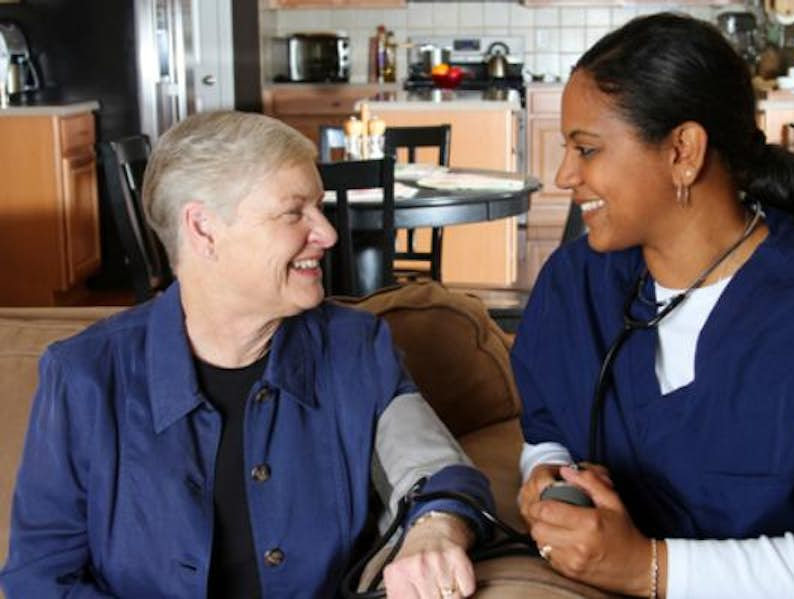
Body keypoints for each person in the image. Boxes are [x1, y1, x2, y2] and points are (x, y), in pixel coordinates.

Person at [0, 111, 493, 599]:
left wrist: (435, 529)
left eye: (318, 208)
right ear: (204, 229)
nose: (328, 234)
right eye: (294, 212)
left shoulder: (355, 348)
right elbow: (39, 579)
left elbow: (436, 471)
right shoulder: (85, 376)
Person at [512, 13, 794, 599]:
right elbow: (547, 432)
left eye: (586, 149)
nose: (564, 175)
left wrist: (648, 567)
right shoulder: (574, 284)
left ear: (683, 151)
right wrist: (545, 479)